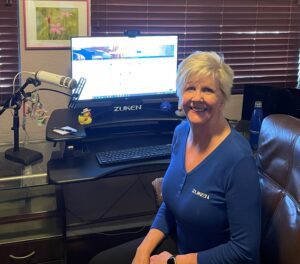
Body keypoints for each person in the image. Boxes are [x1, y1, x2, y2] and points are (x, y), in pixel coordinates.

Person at [89, 51, 261, 264]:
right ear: (181, 94)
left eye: (207, 90)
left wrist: (174, 262)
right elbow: (171, 204)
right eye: (190, 88)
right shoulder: (181, 133)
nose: (197, 98)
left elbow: (245, 251)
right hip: (179, 247)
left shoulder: (238, 159)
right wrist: (143, 251)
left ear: (222, 99)